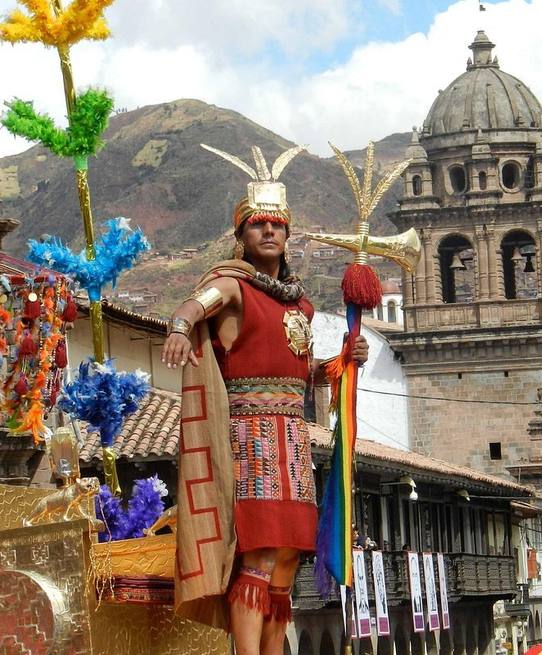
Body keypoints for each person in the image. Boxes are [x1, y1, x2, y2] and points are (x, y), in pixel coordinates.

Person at [168, 143, 369, 655]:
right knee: (257, 556)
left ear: (287, 234)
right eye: (258, 224)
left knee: (286, 560)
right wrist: (180, 327)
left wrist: (343, 361)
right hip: (249, 437)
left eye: (277, 224)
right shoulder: (232, 285)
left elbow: (303, 374)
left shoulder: (301, 304)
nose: (269, 231)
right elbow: (194, 306)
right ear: (241, 235)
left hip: (293, 440)